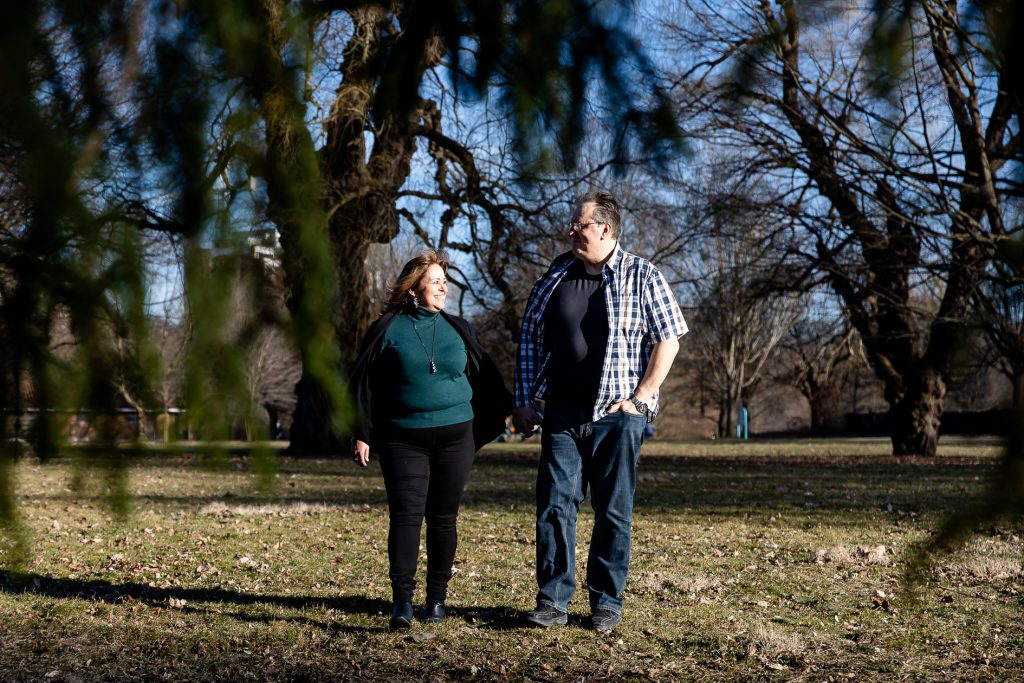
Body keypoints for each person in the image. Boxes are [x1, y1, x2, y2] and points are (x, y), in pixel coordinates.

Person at [513, 191, 688, 633]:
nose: (572, 231)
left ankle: (606, 603)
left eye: (580, 225)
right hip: (562, 416)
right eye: (573, 225)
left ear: (605, 229)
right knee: (555, 506)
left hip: (618, 416)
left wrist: (642, 397)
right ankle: (552, 601)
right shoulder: (555, 277)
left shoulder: (643, 275)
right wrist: (526, 399)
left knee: (613, 511)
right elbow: (531, 339)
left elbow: (669, 338)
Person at [349, 249, 511, 629]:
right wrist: (361, 431)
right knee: (406, 517)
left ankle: (436, 600)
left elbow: (486, 375)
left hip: (457, 438)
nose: (443, 287)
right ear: (414, 288)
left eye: (444, 281)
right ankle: (402, 603)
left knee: (443, 518)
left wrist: (509, 408)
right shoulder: (388, 329)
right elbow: (360, 383)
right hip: (402, 439)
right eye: (435, 281)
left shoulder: (459, 327)